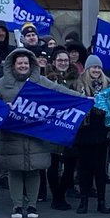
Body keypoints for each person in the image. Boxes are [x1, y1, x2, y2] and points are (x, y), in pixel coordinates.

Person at [0, 47, 69, 218]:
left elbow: (60, 92)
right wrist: (5, 109)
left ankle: (32, 206)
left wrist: (81, 98)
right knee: (15, 171)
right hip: (11, 136)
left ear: (31, 64)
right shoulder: (2, 84)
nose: (23, 65)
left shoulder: (40, 81)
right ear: (13, 65)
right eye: (20, 63)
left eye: (26, 63)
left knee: (34, 170)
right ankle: (17, 206)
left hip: (35, 135)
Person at [74, 55, 110, 214]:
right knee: (84, 169)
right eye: (93, 67)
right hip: (84, 132)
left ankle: (101, 202)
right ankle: (83, 201)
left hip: (102, 132)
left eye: (98, 68)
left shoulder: (108, 85)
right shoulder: (79, 85)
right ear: (87, 69)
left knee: (100, 170)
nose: (96, 70)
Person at [45, 46, 79, 209]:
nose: (63, 63)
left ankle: (62, 192)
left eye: (66, 60)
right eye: (60, 60)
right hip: (53, 127)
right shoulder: (47, 79)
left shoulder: (77, 79)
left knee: (70, 163)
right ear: (54, 62)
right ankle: (56, 196)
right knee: (53, 163)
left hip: (71, 127)